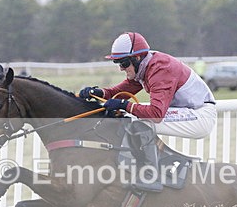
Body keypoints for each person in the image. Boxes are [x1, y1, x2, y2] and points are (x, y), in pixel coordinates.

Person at [78, 31, 217, 190]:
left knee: (140, 121)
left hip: (200, 115)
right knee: (133, 118)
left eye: (123, 63)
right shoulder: (145, 65)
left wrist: (124, 105)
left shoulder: (160, 69)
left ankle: (151, 176)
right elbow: (120, 91)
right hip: (189, 111)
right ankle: (153, 166)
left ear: (136, 58)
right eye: (117, 63)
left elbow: (156, 114)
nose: (121, 69)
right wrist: (98, 93)